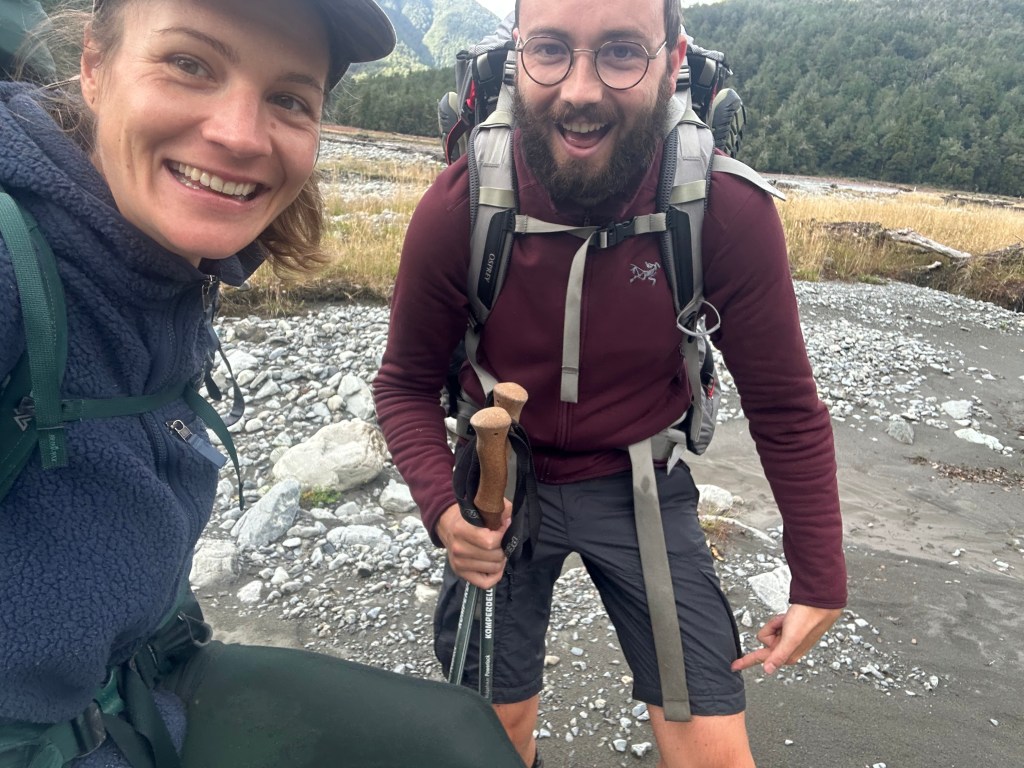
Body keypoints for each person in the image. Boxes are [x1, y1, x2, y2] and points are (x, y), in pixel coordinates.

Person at [0, 2, 525, 767]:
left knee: (461, 741)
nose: (241, 135)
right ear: (92, 63)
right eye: (190, 64)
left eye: (288, 99)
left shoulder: (161, 260)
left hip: (148, 681)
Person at [372, 0, 847, 765]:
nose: (582, 90)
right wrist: (444, 513)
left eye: (623, 52)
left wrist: (820, 575)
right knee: (492, 739)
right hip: (501, 489)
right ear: (516, 55)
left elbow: (785, 408)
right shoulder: (464, 203)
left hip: (642, 483)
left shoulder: (721, 209)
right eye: (551, 50)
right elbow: (402, 384)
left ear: (673, 58)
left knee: (712, 750)